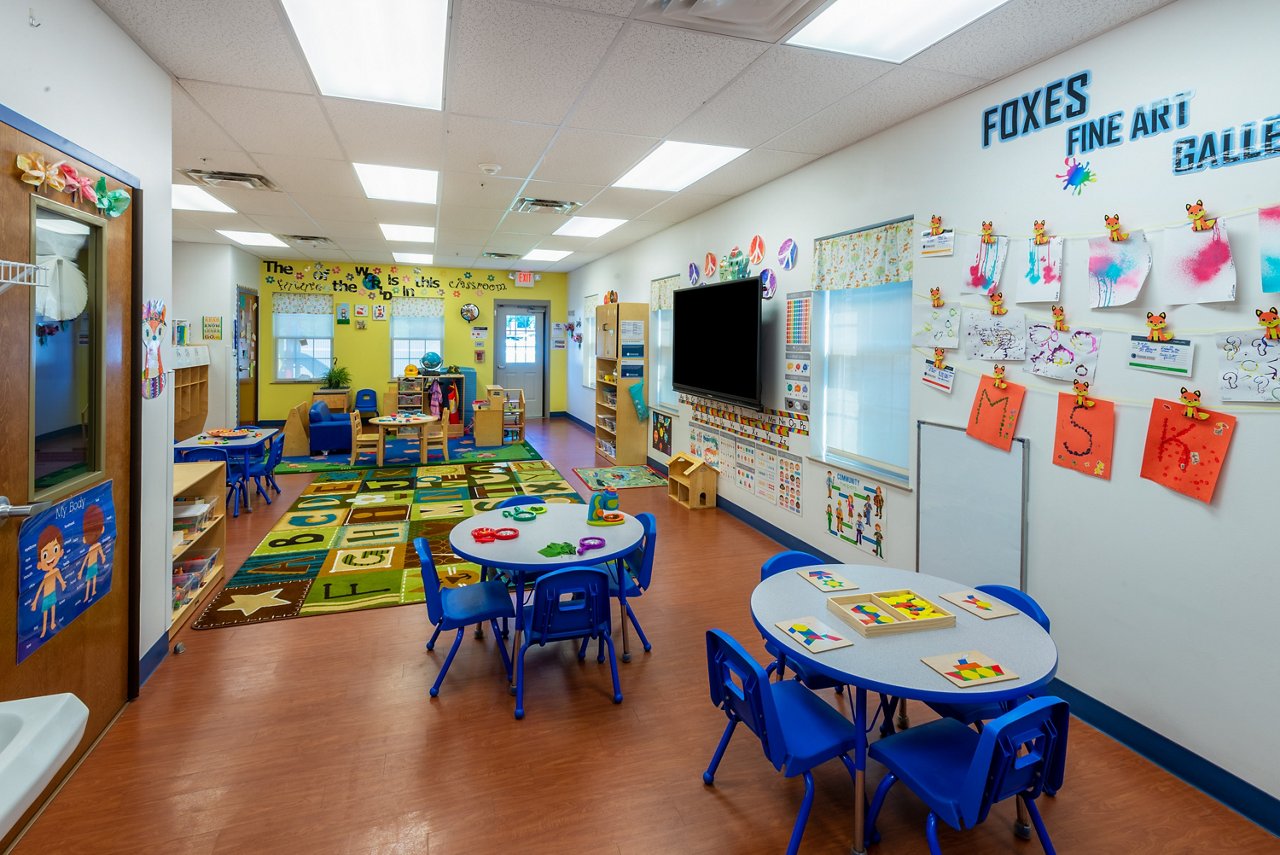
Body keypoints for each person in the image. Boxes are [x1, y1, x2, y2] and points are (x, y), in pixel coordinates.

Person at [32, 525, 67, 638]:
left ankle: (52, 623)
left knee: (52, 609)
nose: (51, 557)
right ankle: (44, 628)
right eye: (45, 555)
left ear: (60, 552)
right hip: (46, 596)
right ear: (40, 564)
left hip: (52, 594)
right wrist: (35, 601)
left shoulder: (56, 570)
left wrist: (63, 584)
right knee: (46, 611)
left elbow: (60, 579)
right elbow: (40, 588)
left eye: (55, 549)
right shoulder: (46, 576)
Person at [78, 503, 108, 603]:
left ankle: (93, 590)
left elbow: (101, 553)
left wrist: (103, 558)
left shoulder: (98, 545)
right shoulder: (91, 548)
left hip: (94, 565)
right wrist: (81, 570)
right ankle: (87, 595)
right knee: (89, 580)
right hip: (91, 566)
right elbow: (86, 559)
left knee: (94, 578)